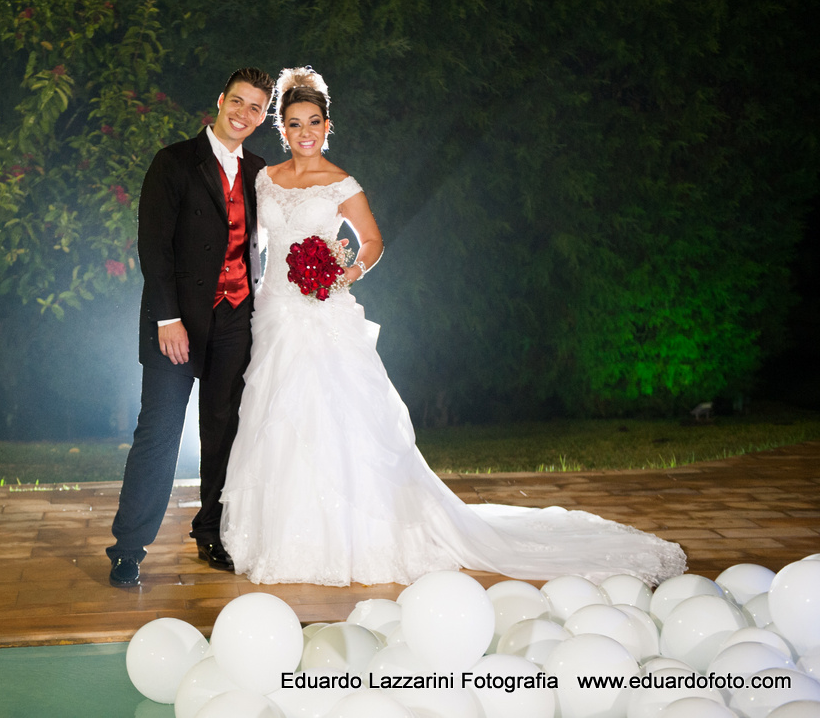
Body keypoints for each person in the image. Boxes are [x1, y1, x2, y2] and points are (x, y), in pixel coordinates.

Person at [219, 66, 687, 587]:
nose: (304, 132)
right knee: (275, 418)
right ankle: (280, 532)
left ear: (328, 126)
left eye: (314, 122)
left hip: (324, 314)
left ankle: (354, 533)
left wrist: (345, 270)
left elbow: (371, 241)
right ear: (281, 129)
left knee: (337, 418)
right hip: (275, 313)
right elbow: (248, 240)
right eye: (294, 123)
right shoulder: (265, 179)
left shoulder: (341, 184)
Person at [107, 68, 277, 588]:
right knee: (158, 435)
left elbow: (266, 243)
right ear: (220, 100)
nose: (244, 114)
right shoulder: (174, 162)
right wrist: (167, 317)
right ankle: (129, 548)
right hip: (175, 324)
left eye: (256, 109)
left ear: (262, 118)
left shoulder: (260, 171)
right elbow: (153, 248)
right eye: (238, 102)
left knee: (223, 433)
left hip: (235, 320)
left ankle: (212, 535)